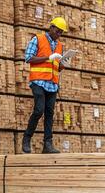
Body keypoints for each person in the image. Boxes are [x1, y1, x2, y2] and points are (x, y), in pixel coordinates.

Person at [22, 17, 67, 154]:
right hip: (38, 81)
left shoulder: (59, 45)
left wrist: (61, 65)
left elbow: (56, 65)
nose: (59, 34)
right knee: (39, 110)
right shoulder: (38, 39)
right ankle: (27, 138)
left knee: (49, 113)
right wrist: (48, 57)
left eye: (61, 33)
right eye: (58, 31)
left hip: (52, 83)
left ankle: (48, 144)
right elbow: (28, 58)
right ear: (51, 28)